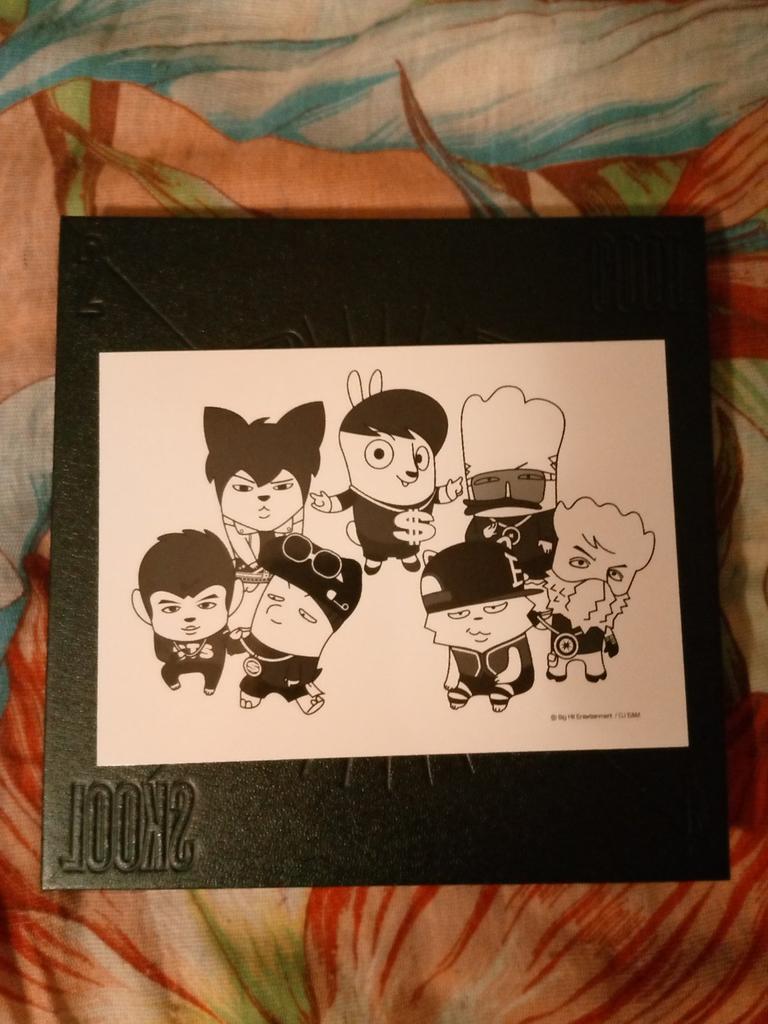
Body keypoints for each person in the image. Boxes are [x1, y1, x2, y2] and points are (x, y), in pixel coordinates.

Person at [311, 370, 462, 575]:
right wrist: (328, 504)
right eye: (380, 453)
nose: (411, 470)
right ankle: (374, 557)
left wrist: (450, 491)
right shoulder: (362, 491)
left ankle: (408, 555)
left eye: (419, 458)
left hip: (410, 536)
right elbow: (344, 500)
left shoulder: (424, 491)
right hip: (372, 537)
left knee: (408, 547)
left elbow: (436, 495)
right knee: (373, 548)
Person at [234, 533, 362, 715]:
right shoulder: (255, 638)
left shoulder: (303, 656)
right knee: (254, 683)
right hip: (258, 672)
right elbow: (239, 645)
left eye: (305, 615)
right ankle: (253, 691)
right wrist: (235, 639)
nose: (277, 612)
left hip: (291, 678)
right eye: (274, 598)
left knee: (295, 686)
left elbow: (303, 669)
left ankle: (299, 695)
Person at [531, 497, 655, 682]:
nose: (597, 580)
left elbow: (606, 625)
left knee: (594, 664)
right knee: (558, 666)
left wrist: (610, 641)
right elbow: (545, 618)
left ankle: (594, 669)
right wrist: (535, 618)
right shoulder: (559, 604)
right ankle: (559, 669)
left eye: (614, 573)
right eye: (580, 562)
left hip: (593, 648)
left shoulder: (603, 612)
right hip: (560, 648)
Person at [204, 402, 325, 586]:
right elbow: (236, 539)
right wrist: (253, 565)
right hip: (247, 573)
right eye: (243, 488)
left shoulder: (294, 514)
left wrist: (287, 564)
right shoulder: (233, 520)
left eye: (282, 487)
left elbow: (295, 538)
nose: (263, 498)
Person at [420, 540, 541, 712]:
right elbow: (454, 659)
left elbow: (519, 662)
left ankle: (508, 687)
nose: (477, 620)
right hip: (469, 676)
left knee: (516, 678)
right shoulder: (457, 639)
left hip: (513, 674)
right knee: (467, 677)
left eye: (494, 608)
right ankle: (468, 686)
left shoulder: (513, 630)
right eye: (459, 614)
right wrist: (452, 677)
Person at [461, 385, 565, 580]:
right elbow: (470, 540)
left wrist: (546, 539)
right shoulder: (482, 520)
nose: (508, 495)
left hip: (535, 560)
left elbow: (550, 528)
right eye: (489, 483)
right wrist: (485, 535)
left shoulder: (542, 515)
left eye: (526, 480)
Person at [132, 529, 243, 695]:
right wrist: (176, 655)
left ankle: (210, 686)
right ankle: (173, 682)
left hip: (212, 664)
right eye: (171, 608)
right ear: (142, 609)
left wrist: (237, 639)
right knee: (168, 671)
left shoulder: (220, 632)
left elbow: (233, 648)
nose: (190, 618)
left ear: (234, 599)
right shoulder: (164, 637)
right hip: (178, 663)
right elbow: (161, 654)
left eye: (206, 604)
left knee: (214, 671)